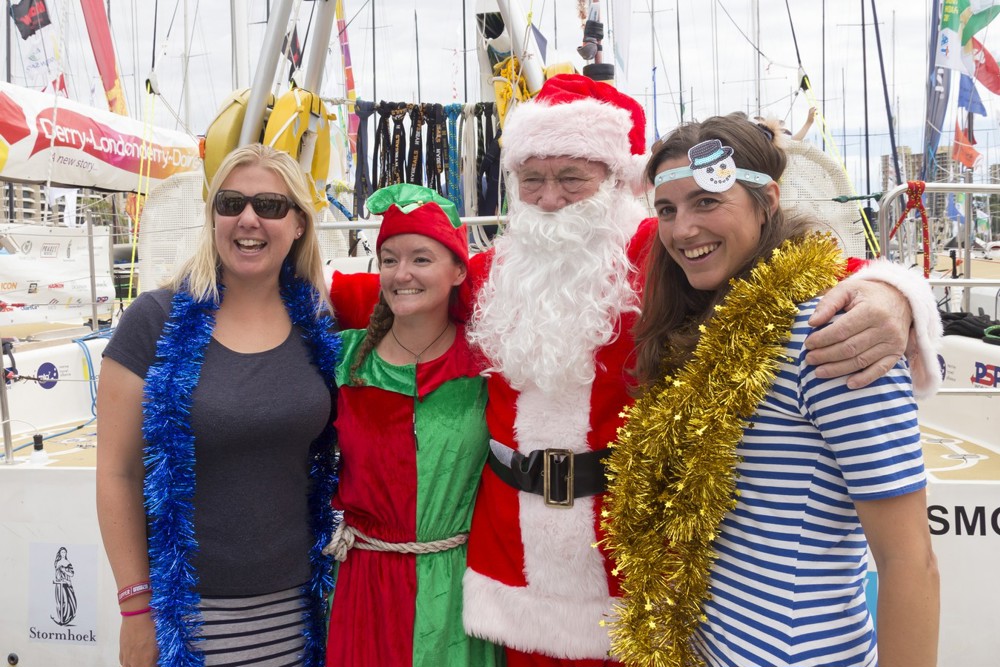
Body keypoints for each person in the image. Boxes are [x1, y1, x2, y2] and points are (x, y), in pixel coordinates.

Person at [329, 74, 939, 666]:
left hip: (625, 557)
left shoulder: (665, 250)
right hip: (506, 558)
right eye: (531, 179)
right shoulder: (493, 273)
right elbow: (390, 290)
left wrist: (891, 292)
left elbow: (812, 268)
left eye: (571, 178)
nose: (547, 199)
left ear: (615, 178)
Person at [602, 113, 940, 667]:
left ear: (768, 201)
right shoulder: (703, 329)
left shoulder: (832, 335)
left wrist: (897, 293)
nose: (682, 229)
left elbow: (910, 562)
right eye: (667, 209)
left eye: (707, 201)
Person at [96, 144, 339, 667]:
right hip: (185, 616)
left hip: (299, 613)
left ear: (298, 223)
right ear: (213, 217)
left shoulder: (320, 324)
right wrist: (135, 610)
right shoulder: (153, 320)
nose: (248, 218)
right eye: (231, 203)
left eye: (270, 206)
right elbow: (117, 473)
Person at [323, 183, 502, 667]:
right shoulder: (343, 360)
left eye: (421, 259)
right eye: (388, 259)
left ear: (458, 270)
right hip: (365, 587)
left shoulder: (489, 362)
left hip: (459, 592)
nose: (402, 274)